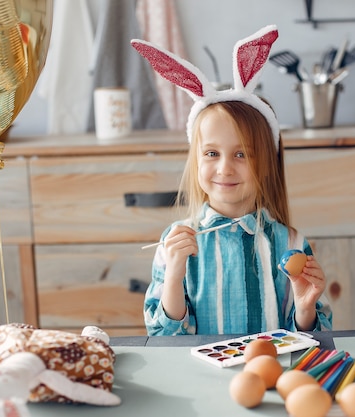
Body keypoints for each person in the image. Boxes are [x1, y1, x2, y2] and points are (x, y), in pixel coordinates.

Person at [132, 25, 332, 336]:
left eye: (242, 155)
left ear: (266, 164)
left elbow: (313, 337)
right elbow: (162, 338)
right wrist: (173, 276)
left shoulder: (290, 243)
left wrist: (305, 309)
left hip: (271, 378)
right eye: (212, 153)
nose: (225, 168)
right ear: (196, 160)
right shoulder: (177, 242)